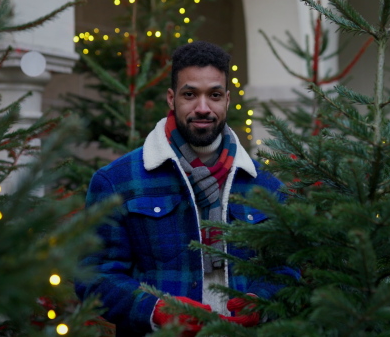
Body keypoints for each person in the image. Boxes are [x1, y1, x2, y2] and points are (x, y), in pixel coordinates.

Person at [75, 41, 296, 336]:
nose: (202, 108)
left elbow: (286, 270)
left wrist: (262, 302)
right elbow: (93, 276)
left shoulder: (266, 186)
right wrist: (154, 310)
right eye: (190, 94)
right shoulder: (117, 182)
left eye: (214, 95)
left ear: (227, 101)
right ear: (171, 98)